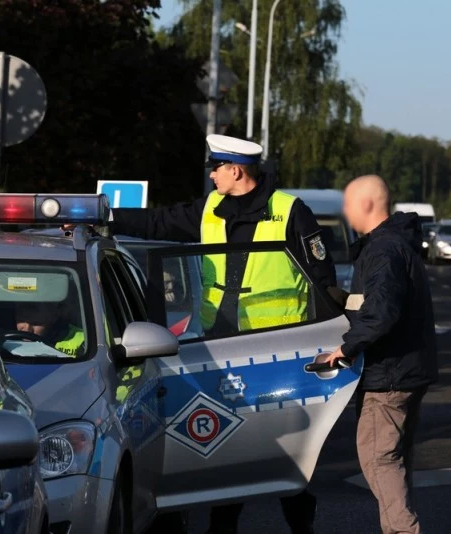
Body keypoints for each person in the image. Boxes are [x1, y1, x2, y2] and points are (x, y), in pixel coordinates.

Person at [109, 134, 335, 534]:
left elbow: (323, 281)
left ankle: (302, 526)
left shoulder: (290, 212)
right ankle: (222, 528)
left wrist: (328, 341)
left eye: (216, 168)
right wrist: (107, 216)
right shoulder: (211, 208)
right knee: (227, 444)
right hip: (221, 349)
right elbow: (158, 221)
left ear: (236, 170)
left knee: (282, 449)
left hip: (278, 354)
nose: (212, 176)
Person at [323, 175, 438, 534]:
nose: (345, 210)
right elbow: (377, 303)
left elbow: (382, 313)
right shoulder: (394, 245)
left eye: (348, 202)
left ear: (368, 204)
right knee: (394, 462)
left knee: (379, 460)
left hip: (388, 375)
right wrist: (344, 302)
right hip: (407, 370)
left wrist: (344, 348)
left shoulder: (384, 250)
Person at [0, 300, 85, 357]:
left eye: (36, 323)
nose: (27, 329)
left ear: (54, 316)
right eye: (22, 321)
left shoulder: (83, 342)